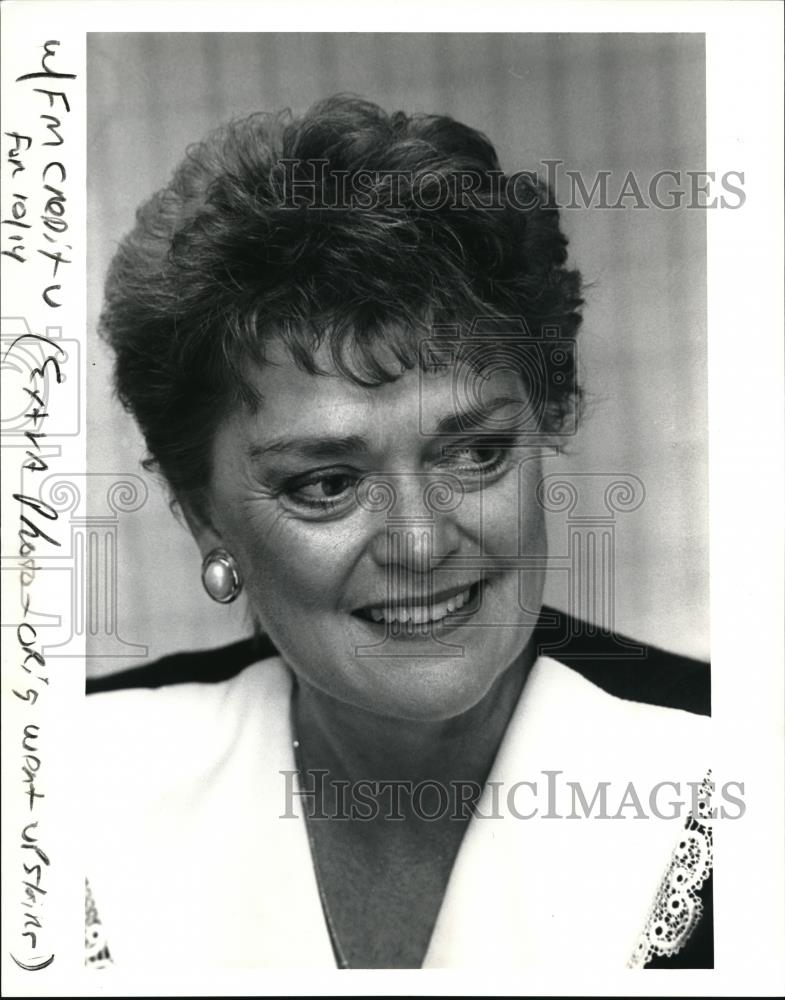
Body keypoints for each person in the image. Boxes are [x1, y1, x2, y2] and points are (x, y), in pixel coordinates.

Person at [85, 95, 712, 971]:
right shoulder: (69, 793)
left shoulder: (737, 770)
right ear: (203, 516)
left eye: (475, 454)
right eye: (327, 484)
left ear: (545, 428)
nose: (419, 544)